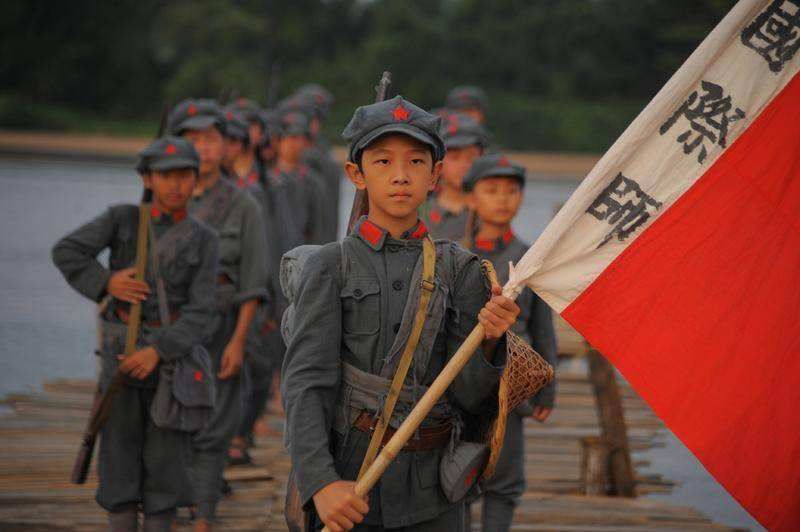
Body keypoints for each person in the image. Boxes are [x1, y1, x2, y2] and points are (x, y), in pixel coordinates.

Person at [281, 95, 521, 531]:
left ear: (435, 175)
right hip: (350, 484)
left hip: (434, 495)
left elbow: (469, 397)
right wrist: (320, 483)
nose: (400, 176)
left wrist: (489, 339)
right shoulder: (330, 266)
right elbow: (306, 383)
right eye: (383, 162)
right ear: (356, 174)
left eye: (415, 162)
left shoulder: (461, 269)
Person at [52, 137, 219, 531]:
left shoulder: (205, 239)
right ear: (147, 177)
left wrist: (158, 351)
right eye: (165, 175)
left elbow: (201, 313)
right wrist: (107, 282)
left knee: (165, 473)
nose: (175, 185)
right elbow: (67, 251)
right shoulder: (123, 219)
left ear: (196, 180)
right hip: (121, 359)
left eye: (184, 175)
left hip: (170, 365)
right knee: (119, 468)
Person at [167, 98, 269, 531]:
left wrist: (239, 340)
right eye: (191, 139)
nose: (203, 148)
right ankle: (166, 504)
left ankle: (204, 516)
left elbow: (252, 283)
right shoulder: (165, 198)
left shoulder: (242, 205)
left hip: (220, 328)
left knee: (213, 430)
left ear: (225, 146)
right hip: (169, 332)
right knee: (167, 423)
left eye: (210, 139)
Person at [461, 153, 557, 531]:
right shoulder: (453, 254)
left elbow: (543, 327)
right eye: (491, 190)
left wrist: (547, 391)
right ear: (471, 198)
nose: (502, 199)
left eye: (512, 191)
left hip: (512, 391)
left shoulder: (530, 257)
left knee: (504, 483)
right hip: (461, 387)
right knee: (457, 479)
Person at [422, 112, 489, 241]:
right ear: (437, 163)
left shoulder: (492, 212)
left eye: (471, 157)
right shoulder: (418, 212)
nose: (464, 165)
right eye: (454, 158)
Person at [267, 109, 328, 245]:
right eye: (286, 138)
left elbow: (318, 229)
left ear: (305, 142)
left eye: (296, 138)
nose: (291, 144)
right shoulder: (265, 180)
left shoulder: (313, 182)